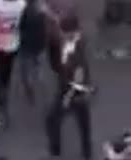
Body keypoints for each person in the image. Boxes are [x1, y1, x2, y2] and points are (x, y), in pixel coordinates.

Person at [46, 15, 93, 160]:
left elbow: (78, 78)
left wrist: (68, 97)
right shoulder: (71, 40)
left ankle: (56, 152)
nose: (60, 34)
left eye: (63, 31)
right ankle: (86, 152)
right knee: (83, 122)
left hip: (72, 91)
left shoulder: (77, 51)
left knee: (52, 120)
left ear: (71, 32)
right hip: (70, 87)